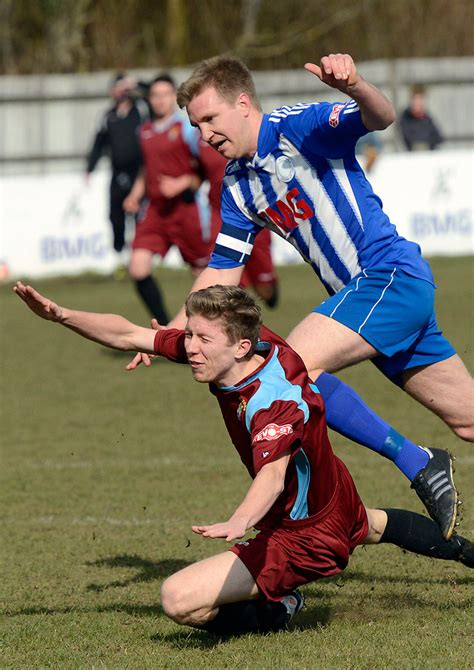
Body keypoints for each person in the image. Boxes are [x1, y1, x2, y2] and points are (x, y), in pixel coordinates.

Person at [132, 52, 473, 540]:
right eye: (196, 125)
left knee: (288, 369)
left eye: (210, 119)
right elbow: (223, 271)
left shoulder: (300, 127)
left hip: (389, 278)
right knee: (468, 420)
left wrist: (354, 85)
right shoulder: (237, 185)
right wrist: (174, 327)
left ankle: (417, 461)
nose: (204, 134)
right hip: (365, 302)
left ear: (243, 103)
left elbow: (381, 116)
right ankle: (423, 460)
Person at [13, 282, 474, 636]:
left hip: (303, 535)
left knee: (179, 600)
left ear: (238, 346)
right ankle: (470, 554)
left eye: (200, 339)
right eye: (189, 335)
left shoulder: (271, 403)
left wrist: (239, 521)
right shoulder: (250, 346)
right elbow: (131, 333)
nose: (188, 346)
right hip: (329, 495)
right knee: (372, 526)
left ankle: (280, 610)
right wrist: (61, 315)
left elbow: (271, 477)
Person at [123, 73, 210, 324]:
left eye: (164, 95)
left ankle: (208, 327)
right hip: (155, 211)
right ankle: (164, 328)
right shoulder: (144, 131)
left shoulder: (186, 129)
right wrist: (135, 195)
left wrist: (182, 182)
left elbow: (204, 168)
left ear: (174, 97)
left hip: (185, 209)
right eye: (154, 95)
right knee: (137, 268)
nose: (159, 100)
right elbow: (146, 169)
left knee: (202, 274)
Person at [197, 138, 279, 308]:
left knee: (268, 294)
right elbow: (194, 172)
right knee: (225, 286)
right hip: (220, 216)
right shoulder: (200, 140)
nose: (205, 130)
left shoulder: (248, 132)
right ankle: (237, 317)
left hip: (255, 215)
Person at [85, 72, 149, 258]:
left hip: (139, 174)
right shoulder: (107, 116)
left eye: (124, 88)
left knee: (139, 215)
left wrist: (135, 82)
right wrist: (90, 168)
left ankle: (140, 256)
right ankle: (119, 255)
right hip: (117, 173)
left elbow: (151, 90)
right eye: (118, 88)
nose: (122, 91)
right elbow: (98, 144)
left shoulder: (141, 109)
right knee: (116, 216)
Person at [399, 84, 443, 151]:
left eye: (420, 100)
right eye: (415, 100)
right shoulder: (405, 119)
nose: (418, 103)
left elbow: (438, 138)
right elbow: (409, 140)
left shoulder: (428, 119)